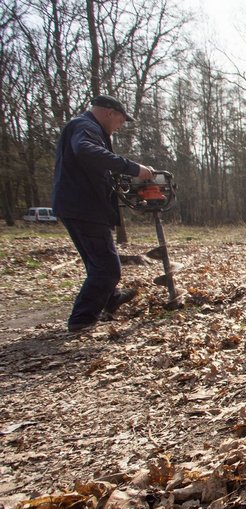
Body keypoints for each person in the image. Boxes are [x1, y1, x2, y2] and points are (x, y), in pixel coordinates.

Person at [53, 95, 154, 332]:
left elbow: (94, 166)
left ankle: (112, 298)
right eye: (120, 120)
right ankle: (82, 318)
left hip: (77, 205)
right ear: (110, 113)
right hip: (84, 206)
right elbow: (86, 151)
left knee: (96, 261)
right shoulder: (85, 127)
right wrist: (134, 168)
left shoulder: (85, 127)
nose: (120, 126)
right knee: (108, 268)